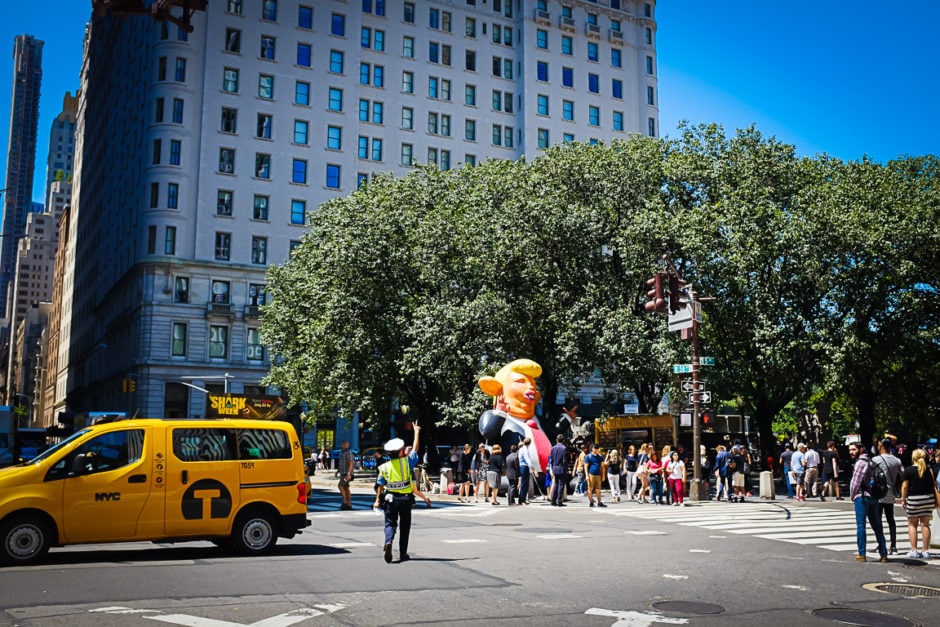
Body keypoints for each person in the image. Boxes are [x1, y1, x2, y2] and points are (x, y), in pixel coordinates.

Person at [374, 425, 430, 564]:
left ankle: (388, 541)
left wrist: (377, 501)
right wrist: (417, 432)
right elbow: (415, 449)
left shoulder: (384, 467)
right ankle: (403, 553)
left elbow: (380, 485)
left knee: (390, 524)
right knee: (405, 526)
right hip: (405, 500)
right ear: (399, 452)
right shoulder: (407, 462)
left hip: (390, 499)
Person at [848, 441, 888, 562]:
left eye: (853, 450)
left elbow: (856, 482)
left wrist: (852, 496)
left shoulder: (860, 463)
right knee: (877, 526)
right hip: (874, 497)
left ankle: (862, 554)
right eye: (850, 450)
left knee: (861, 525)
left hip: (862, 497)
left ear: (860, 450)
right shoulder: (871, 461)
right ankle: (884, 553)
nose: (851, 452)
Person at [900, 448, 938, 559]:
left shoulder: (908, 470)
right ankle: (926, 550)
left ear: (913, 457)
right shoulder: (928, 469)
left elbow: (905, 486)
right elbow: (934, 484)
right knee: (925, 525)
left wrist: (903, 499)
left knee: (912, 525)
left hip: (914, 499)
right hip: (928, 499)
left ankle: (914, 550)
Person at [873, 438, 903, 554]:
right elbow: (902, 474)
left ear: (881, 446)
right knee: (891, 520)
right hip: (891, 493)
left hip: (879, 493)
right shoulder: (896, 460)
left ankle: (881, 544)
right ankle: (893, 545)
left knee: (878, 520)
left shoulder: (876, 460)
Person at [549, 434, 568, 507]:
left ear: (557, 440)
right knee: (561, 485)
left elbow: (552, 459)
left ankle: (553, 500)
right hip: (561, 468)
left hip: (555, 467)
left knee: (555, 484)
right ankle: (559, 500)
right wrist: (565, 469)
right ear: (563, 440)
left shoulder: (553, 448)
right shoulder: (564, 448)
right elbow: (564, 460)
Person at [337, 440, 355, 510]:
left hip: (346, 474)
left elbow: (351, 463)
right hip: (343, 473)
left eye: (346, 444)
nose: (344, 445)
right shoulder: (342, 452)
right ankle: (349, 503)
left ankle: (345, 501)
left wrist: (348, 473)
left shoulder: (349, 452)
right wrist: (338, 470)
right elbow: (341, 462)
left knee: (340, 485)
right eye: (343, 444)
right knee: (346, 487)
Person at [517, 437, 533, 505]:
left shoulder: (521, 449)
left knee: (524, 484)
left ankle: (522, 499)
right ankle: (522, 500)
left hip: (522, 466)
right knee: (524, 484)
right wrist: (532, 467)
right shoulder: (525, 449)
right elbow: (527, 459)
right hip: (525, 466)